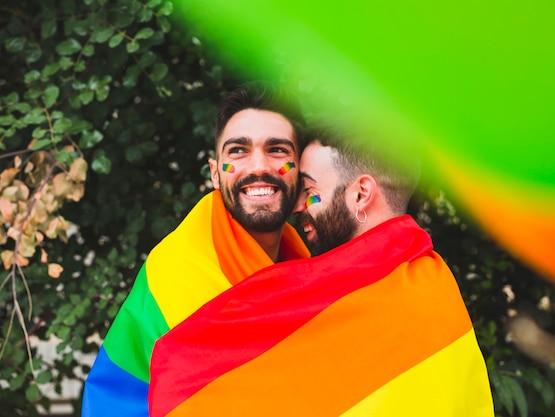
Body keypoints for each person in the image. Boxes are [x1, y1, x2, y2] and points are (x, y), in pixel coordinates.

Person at [147, 125, 495, 416]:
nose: (297, 206)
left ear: (361, 193)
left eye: (310, 191)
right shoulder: (436, 284)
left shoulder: (349, 292)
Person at [81, 81, 311, 417]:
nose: (259, 166)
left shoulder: (307, 266)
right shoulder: (177, 270)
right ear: (215, 174)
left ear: (300, 173)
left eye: (277, 150)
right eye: (238, 151)